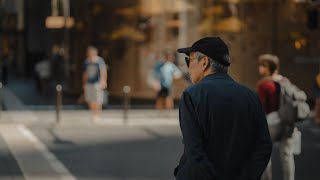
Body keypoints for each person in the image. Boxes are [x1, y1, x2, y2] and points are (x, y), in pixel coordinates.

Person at [174, 37, 272, 180]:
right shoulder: (251, 96)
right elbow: (264, 146)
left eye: (189, 60)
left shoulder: (192, 95)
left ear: (204, 62)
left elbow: (195, 151)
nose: (188, 67)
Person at [258, 54, 295, 180]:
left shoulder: (264, 85)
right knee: (287, 155)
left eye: (262, 65)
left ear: (268, 67)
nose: (259, 68)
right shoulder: (285, 81)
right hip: (288, 122)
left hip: (272, 123)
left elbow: (262, 108)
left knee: (265, 153)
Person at [83, 46, 107, 122]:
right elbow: (85, 74)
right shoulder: (86, 62)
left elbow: (103, 72)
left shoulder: (99, 61)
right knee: (90, 100)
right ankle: (93, 114)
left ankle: (97, 115)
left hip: (97, 83)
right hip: (89, 83)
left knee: (98, 100)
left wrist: (103, 81)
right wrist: (84, 83)